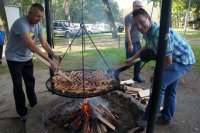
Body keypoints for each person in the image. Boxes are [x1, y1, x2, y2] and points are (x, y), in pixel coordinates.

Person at [126, 8, 195, 130]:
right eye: (136, 24)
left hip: (183, 60)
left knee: (159, 85)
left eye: (141, 22)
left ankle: (148, 118)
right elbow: (148, 45)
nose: (139, 27)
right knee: (170, 90)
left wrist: (155, 74)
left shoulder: (160, 34)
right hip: (174, 58)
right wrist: (133, 58)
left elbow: (168, 62)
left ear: (149, 18)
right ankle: (166, 118)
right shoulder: (148, 32)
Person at [5, 3, 61, 123]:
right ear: (29, 13)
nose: (39, 19)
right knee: (18, 85)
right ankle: (22, 112)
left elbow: (44, 43)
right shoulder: (21, 23)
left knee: (30, 81)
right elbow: (31, 45)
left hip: (26, 57)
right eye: (37, 16)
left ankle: (33, 103)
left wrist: (54, 54)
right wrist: (49, 61)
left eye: (41, 16)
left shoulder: (39, 24)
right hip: (13, 58)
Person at [124, 0, 145, 83]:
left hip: (137, 41)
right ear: (133, 6)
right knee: (129, 62)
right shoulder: (129, 16)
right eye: (138, 6)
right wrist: (130, 44)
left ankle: (136, 76)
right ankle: (115, 73)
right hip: (131, 42)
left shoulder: (139, 16)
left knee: (139, 59)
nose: (139, 8)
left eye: (141, 7)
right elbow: (127, 31)